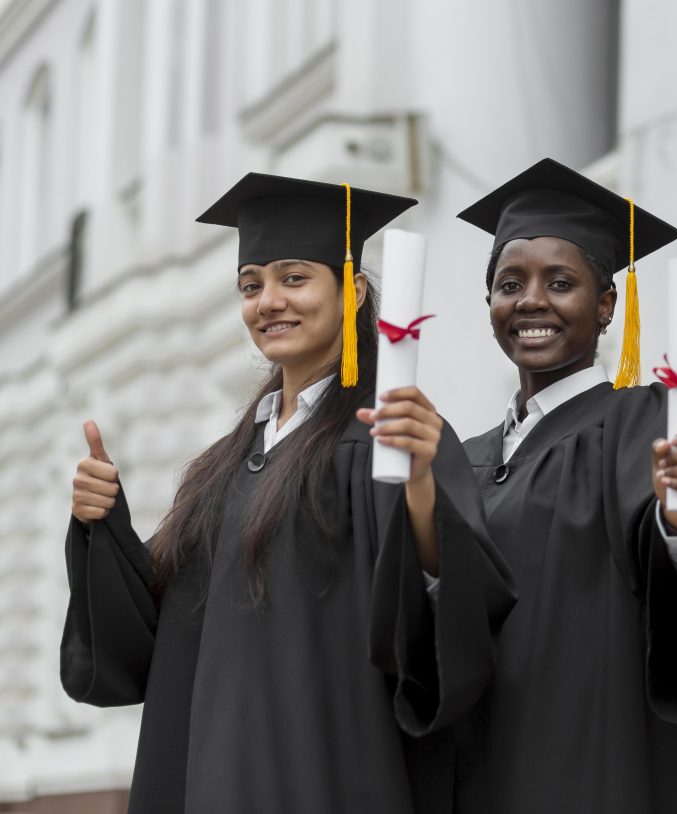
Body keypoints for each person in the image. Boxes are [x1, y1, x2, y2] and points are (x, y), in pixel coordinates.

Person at [63, 173, 516, 814]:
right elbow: (151, 638)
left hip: (321, 777)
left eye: (294, 278)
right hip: (208, 777)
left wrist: (420, 491)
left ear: (352, 289)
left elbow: (440, 622)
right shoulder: (226, 467)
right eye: (251, 285)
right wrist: (101, 525)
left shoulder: (391, 442)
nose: (268, 300)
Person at [433, 158, 677, 813]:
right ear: (489, 303)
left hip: (594, 767)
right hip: (478, 764)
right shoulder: (460, 458)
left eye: (561, 283)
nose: (531, 301)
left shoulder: (642, 420)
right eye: (509, 283)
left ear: (607, 303)